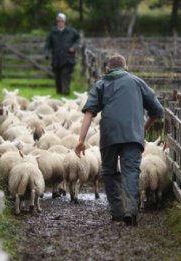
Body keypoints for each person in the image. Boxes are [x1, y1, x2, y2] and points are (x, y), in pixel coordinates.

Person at [75, 54, 163, 226]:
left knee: (109, 171)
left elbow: (89, 113)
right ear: (125, 67)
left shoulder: (101, 84)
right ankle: (131, 210)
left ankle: (117, 212)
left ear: (108, 68)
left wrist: (81, 139)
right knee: (130, 171)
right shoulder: (137, 82)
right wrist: (143, 129)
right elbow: (157, 111)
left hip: (109, 135)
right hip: (133, 136)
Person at [44, 13, 80, 95]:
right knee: (57, 77)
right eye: (59, 21)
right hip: (56, 59)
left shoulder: (71, 31)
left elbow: (78, 40)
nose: (60, 22)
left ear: (64, 22)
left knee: (66, 75)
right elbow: (47, 44)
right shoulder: (52, 32)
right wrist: (46, 54)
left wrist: (74, 47)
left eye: (62, 21)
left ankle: (66, 92)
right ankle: (59, 92)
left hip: (68, 58)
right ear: (57, 22)